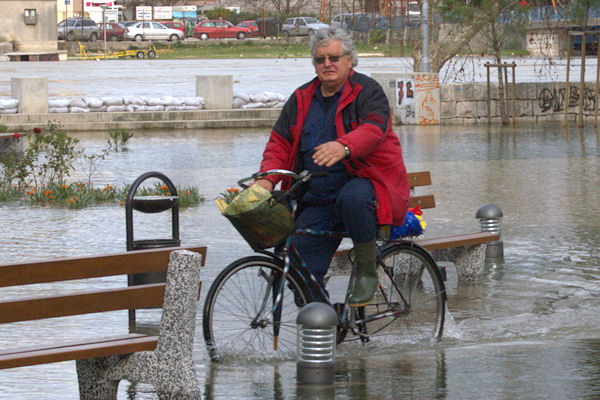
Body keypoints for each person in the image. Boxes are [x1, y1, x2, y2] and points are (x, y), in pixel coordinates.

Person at [254, 27, 409, 307]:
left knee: (353, 196)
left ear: (349, 60)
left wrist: (344, 146)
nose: (327, 64)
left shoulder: (368, 91)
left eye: (334, 58)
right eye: (320, 59)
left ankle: (366, 271)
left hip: (366, 189)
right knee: (296, 259)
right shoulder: (301, 98)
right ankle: (325, 322)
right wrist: (267, 179)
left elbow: (374, 130)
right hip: (318, 198)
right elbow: (280, 142)